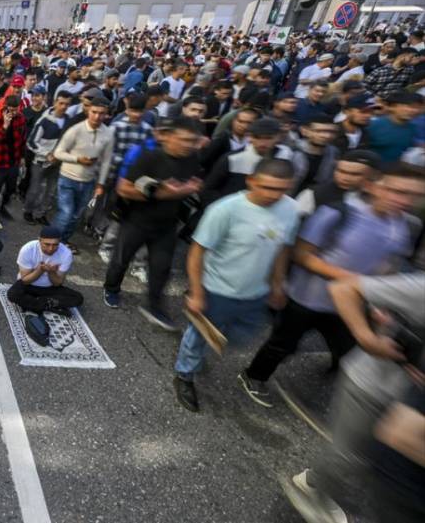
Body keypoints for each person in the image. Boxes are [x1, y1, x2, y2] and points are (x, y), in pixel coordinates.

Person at [240, 163, 425, 402]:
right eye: (397, 191)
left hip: (351, 306)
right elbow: (302, 255)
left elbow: (390, 264)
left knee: (348, 349)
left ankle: (338, 384)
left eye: (415, 195)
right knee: (282, 345)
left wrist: (381, 300)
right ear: (372, 186)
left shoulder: (408, 225)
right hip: (306, 299)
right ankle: (254, 376)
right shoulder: (338, 212)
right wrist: (353, 282)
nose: (405, 200)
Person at [283, 271, 425, 523]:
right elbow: (343, 289)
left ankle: (315, 482)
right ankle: (311, 493)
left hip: (401, 402)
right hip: (371, 390)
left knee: (362, 460)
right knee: (349, 457)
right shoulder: (421, 289)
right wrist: (369, 340)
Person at [173, 159, 300, 412]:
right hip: (218, 290)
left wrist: (278, 284)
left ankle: (200, 353)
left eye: (281, 189)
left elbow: (283, 248)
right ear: (251, 181)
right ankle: (184, 375)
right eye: (267, 187)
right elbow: (197, 251)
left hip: (257, 293)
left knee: (239, 337)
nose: (273, 195)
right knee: (199, 336)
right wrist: (196, 292)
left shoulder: (291, 209)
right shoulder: (225, 210)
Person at [102, 116, 202, 331]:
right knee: (121, 259)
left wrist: (190, 188)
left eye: (192, 141)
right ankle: (111, 289)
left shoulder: (191, 159)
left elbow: (196, 183)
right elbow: (123, 188)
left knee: (161, 268)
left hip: (167, 225)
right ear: (169, 136)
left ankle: (155, 306)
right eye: (183, 139)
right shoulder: (149, 157)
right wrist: (164, 193)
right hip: (137, 221)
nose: (188, 145)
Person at [52, 97, 114, 250]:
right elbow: (58, 153)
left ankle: (63, 242)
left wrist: (100, 184)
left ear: (106, 114)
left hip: (88, 182)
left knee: (76, 215)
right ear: (88, 111)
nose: (97, 116)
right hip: (67, 178)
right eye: (94, 112)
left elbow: (106, 161)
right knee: (66, 213)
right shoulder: (76, 130)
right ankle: (51, 241)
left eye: (101, 113)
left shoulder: (108, 134)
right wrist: (77, 159)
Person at [7, 225, 83, 321]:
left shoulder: (66, 254)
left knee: (77, 298)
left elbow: (57, 283)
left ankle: (36, 305)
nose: (51, 248)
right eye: (47, 244)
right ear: (39, 240)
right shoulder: (28, 249)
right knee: (13, 294)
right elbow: (25, 280)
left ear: (60, 242)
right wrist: (40, 270)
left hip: (49, 288)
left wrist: (51, 272)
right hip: (29, 286)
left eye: (55, 245)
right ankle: (48, 305)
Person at [23, 91, 72, 225]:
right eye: (61, 103)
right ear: (55, 102)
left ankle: (41, 213)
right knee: (36, 189)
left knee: (50, 191)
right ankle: (28, 211)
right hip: (40, 162)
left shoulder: (68, 121)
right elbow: (31, 142)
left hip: (57, 163)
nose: (64, 107)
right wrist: (47, 154)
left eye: (67, 104)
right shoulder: (44, 120)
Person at [295, 149, 379, 216]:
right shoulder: (314, 194)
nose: (346, 178)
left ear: (373, 176)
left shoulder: (379, 199)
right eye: (341, 171)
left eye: (354, 174)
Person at [0, 94, 27, 218]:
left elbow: (23, 139)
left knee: (11, 189)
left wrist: (22, 157)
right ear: (6, 107)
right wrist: (5, 126)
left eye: (16, 109)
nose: (13, 113)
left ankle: (2, 206)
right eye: (11, 110)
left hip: (14, 161)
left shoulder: (21, 118)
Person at [367, 91, 423, 163]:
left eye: (417, 107)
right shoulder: (373, 126)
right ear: (392, 107)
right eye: (409, 106)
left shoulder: (413, 128)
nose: (414, 110)